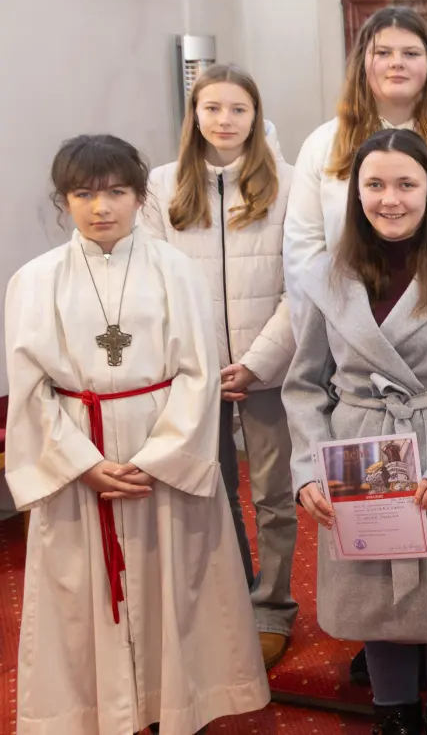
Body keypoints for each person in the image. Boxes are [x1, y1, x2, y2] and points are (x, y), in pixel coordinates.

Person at [5, 134, 269, 734]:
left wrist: (157, 458)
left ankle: (172, 707)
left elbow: (200, 374)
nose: (102, 207)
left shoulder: (176, 270)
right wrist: (82, 465)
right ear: (63, 200)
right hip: (80, 470)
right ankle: (94, 712)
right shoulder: (35, 281)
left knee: (172, 589)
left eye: (117, 192)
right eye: (85, 193)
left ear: (138, 194)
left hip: (162, 469)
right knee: (83, 600)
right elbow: (29, 390)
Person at [284, 5, 427, 686]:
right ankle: (392, 713)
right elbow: (304, 386)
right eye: (374, 186)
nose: (390, 197)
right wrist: (306, 469)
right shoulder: (331, 275)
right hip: (358, 443)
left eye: (407, 185)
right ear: (354, 193)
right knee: (373, 591)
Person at [141, 63, 300, 670]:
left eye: (238, 109)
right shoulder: (161, 185)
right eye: (212, 109)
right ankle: (229, 597)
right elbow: (156, 284)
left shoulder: (286, 184)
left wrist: (258, 363)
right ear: (194, 115)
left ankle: (272, 604)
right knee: (209, 489)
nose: (225, 121)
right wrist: (202, 362)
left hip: (271, 367)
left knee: (273, 493)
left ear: (256, 116)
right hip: (195, 369)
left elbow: (300, 287)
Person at [286, 5, 427, 278]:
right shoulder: (321, 145)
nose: (396, 63)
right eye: (383, 53)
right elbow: (304, 251)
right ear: (362, 63)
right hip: (344, 309)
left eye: (411, 53)